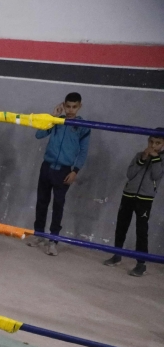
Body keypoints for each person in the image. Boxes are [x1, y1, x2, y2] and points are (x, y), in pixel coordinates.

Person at [29, 92, 90, 256]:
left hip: (64, 171)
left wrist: (75, 171)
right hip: (47, 167)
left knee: (58, 205)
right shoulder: (56, 120)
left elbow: (83, 151)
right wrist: (52, 116)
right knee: (42, 202)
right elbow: (39, 134)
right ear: (63, 105)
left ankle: (53, 240)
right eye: (67, 106)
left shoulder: (83, 126)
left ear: (79, 106)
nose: (70, 110)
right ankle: (39, 234)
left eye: (74, 107)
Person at [103, 131, 163, 277]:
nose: (153, 146)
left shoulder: (161, 160)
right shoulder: (139, 155)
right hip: (128, 195)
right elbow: (130, 174)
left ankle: (141, 264)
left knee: (141, 231)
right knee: (121, 226)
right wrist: (143, 158)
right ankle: (117, 255)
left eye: (158, 143)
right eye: (151, 142)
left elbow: (156, 175)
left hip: (145, 199)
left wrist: (154, 158)